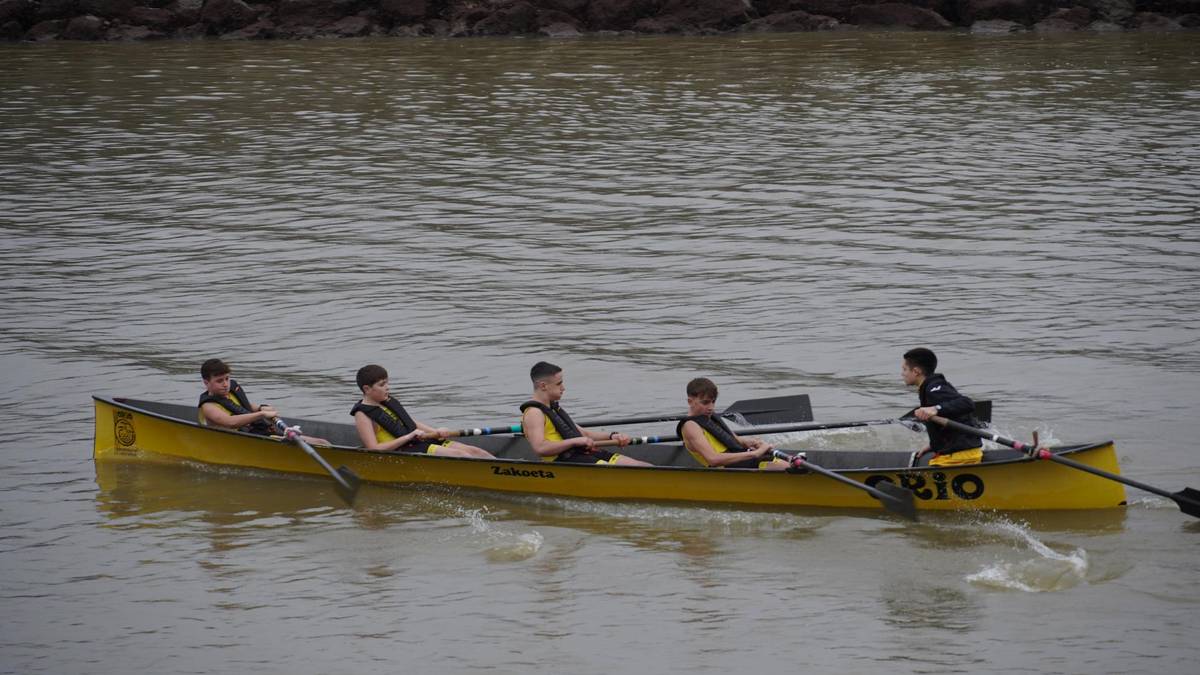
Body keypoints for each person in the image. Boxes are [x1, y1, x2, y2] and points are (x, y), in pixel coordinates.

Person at [520, 361, 650, 466]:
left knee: (643, 467)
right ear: (543, 386)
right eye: (559, 383)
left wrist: (612, 436)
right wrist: (574, 442)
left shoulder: (552, 408)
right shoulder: (534, 413)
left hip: (582, 453)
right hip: (564, 461)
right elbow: (540, 448)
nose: (563, 388)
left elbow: (585, 434)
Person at [352, 364, 494, 458]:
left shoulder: (386, 401)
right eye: (382, 385)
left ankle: (511, 472)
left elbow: (410, 422)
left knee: (476, 452)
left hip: (418, 441)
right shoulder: (362, 415)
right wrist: (409, 437)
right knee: (461, 455)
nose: (387, 387)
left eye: (387, 383)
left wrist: (436, 432)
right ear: (367, 389)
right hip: (404, 450)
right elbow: (373, 449)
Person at [198, 358, 329, 444]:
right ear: (206, 383)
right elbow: (231, 422)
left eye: (227, 378)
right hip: (241, 441)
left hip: (255, 433)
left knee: (323, 442)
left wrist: (260, 408)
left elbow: (245, 407)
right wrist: (261, 415)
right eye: (219, 381)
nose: (225, 384)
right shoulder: (208, 406)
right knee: (320, 443)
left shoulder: (230, 391)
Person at [677, 378, 788, 470]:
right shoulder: (690, 426)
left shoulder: (709, 418)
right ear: (690, 402)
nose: (711, 407)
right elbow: (713, 459)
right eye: (705, 402)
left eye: (713, 401)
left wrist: (752, 442)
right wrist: (755, 454)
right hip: (727, 470)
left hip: (741, 462)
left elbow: (736, 440)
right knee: (787, 467)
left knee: (791, 464)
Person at [901, 347, 983, 466]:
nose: (902, 374)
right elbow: (953, 416)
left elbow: (967, 403)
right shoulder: (930, 386)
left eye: (904, 369)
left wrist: (935, 409)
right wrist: (934, 445)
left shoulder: (934, 388)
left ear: (916, 371)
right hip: (961, 452)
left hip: (959, 457)